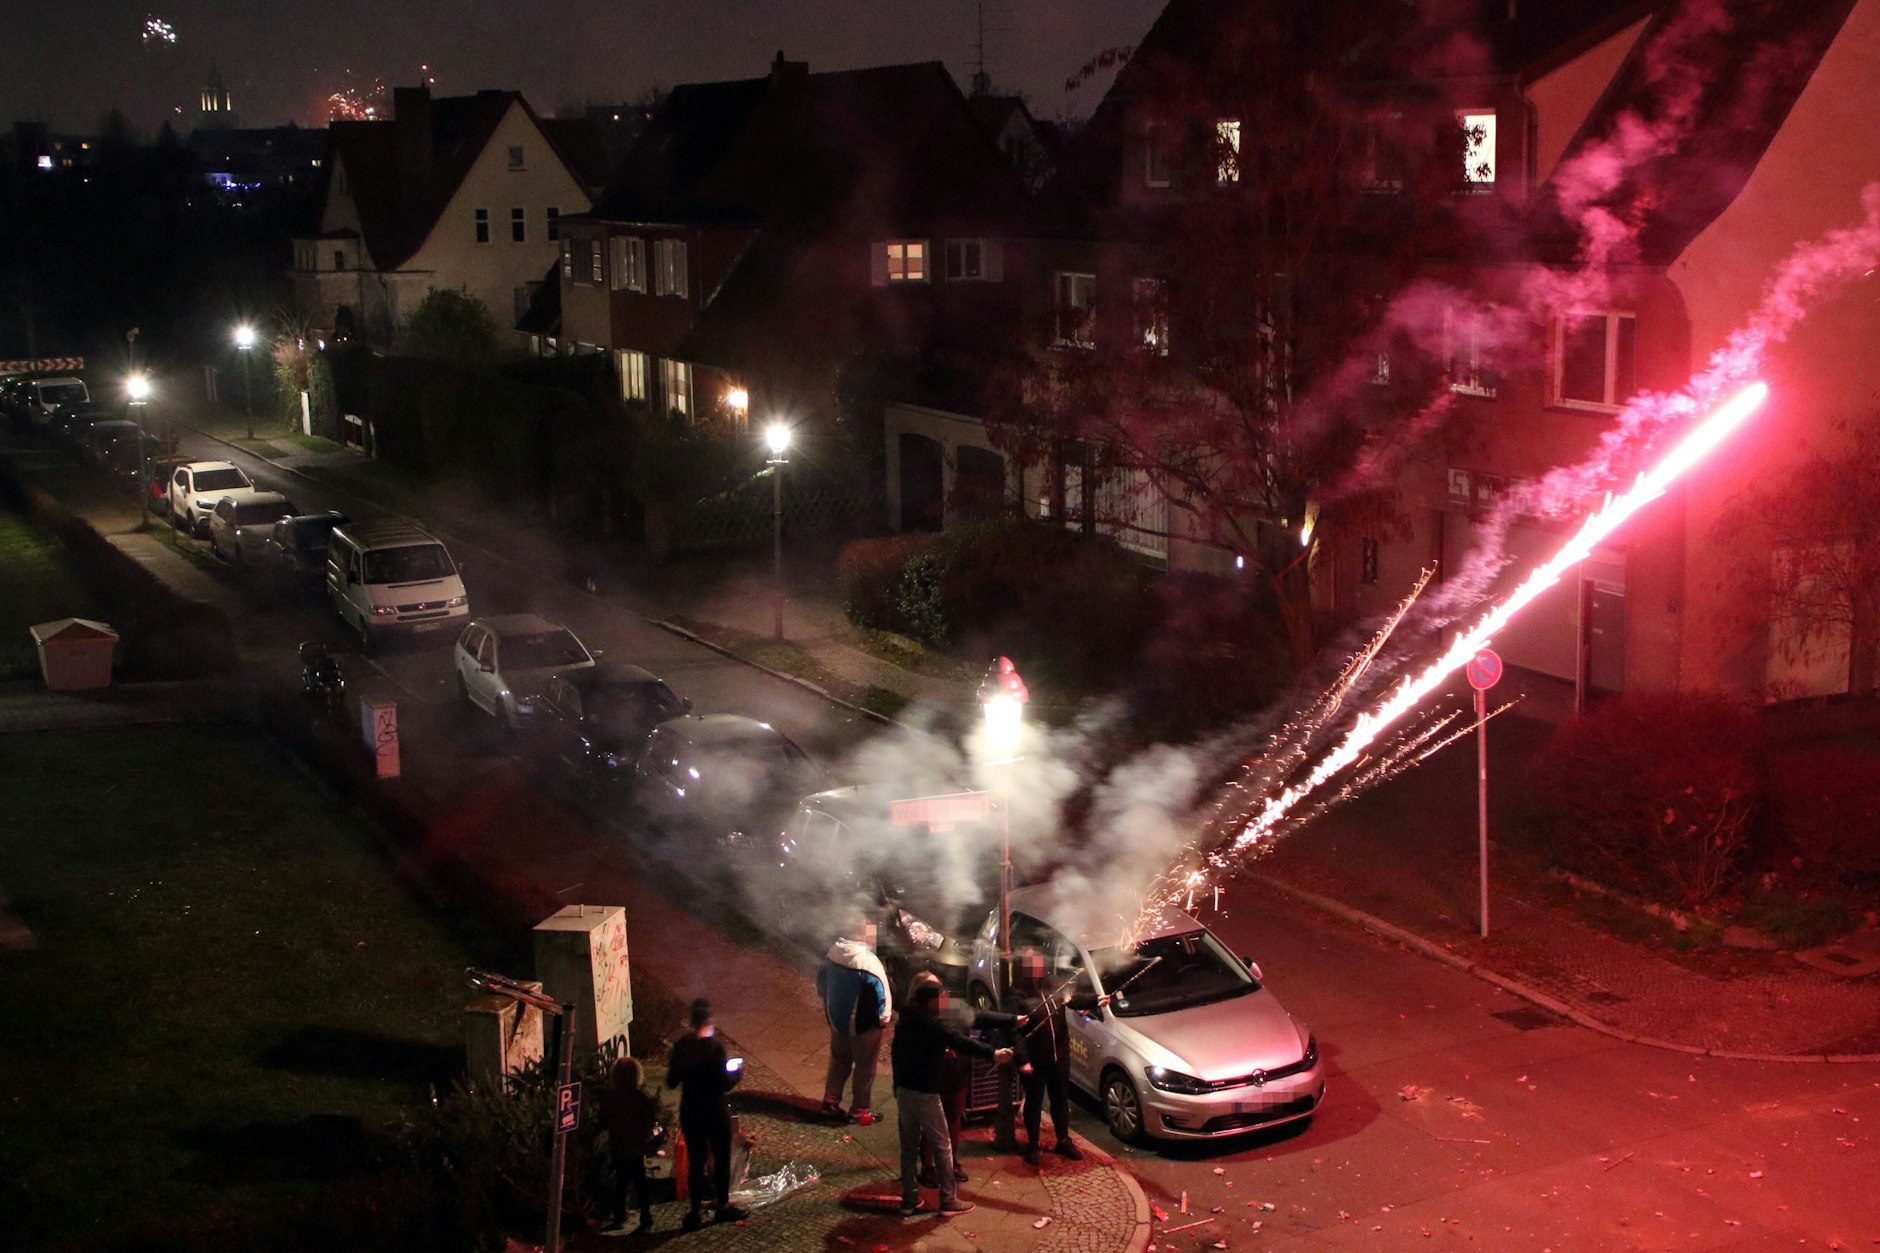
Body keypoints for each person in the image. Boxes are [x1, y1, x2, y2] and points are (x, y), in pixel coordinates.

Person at [892, 978, 1012, 1218]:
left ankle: (909, 1200)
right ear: (932, 1001)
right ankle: (948, 1199)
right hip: (926, 1093)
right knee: (942, 1145)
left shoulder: (906, 1019)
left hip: (904, 1091)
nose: (945, 1002)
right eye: (941, 998)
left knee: (909, 1147)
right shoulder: (934, 1024)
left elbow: (908, 1049)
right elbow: (961, 1041)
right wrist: (993, 1054)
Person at [908, 970, 1022, 1187]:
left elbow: (978, 1016)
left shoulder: (951, 1007)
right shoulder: (918, 1018)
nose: (942, 993)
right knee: (931, 1125)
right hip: (932, 1079)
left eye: (940, 988)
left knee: (954, 1119)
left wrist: (1013, 1020)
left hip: (957, 1075)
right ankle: (929, 1167)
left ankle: (951, 1163)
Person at [1006, 948, 1107, 1166]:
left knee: (1060, 1099)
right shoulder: (1017, 994)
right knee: (1033, 1102)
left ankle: (1063, 1140)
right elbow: (1012, 1031)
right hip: (1034, 1060)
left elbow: (1073, 999)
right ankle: (1033, 1145)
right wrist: (1022, 1060)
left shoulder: (1053, 983)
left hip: (1058, 1056)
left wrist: (1096, 1000)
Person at [666, 998, 748, 1229]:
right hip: (714, 1111)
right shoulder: (715, 1048)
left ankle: (694, 1211)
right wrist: (737, 1073)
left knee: (696, 1161)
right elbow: (723, 1083)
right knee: (721, 1159)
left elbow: (672, 1081)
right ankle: (722, 1207)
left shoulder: (681, 1046)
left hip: (691, 1111)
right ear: (709, 1021)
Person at [816, 915, 892, 1125]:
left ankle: (830, 1101)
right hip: (863, 1026)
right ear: (861, 934)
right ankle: (859, 1110)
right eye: (871, 930)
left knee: (839, 1060)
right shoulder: (868, 962)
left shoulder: (832, 952)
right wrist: (883, 1020)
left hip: (836, 1020)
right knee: (864, 1067)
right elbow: (882, 996)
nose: (875, 935)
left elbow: (821, 984)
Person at [599, 1055, 660, 1233]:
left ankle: (619, 1216)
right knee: (640, 1182)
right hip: (636, 1146)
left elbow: (604, 1119)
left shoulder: (611, 1098)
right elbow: (650, 1120)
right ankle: (646, 1217)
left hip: (619, 1145)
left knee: (621, 1182)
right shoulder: (641, 1098)